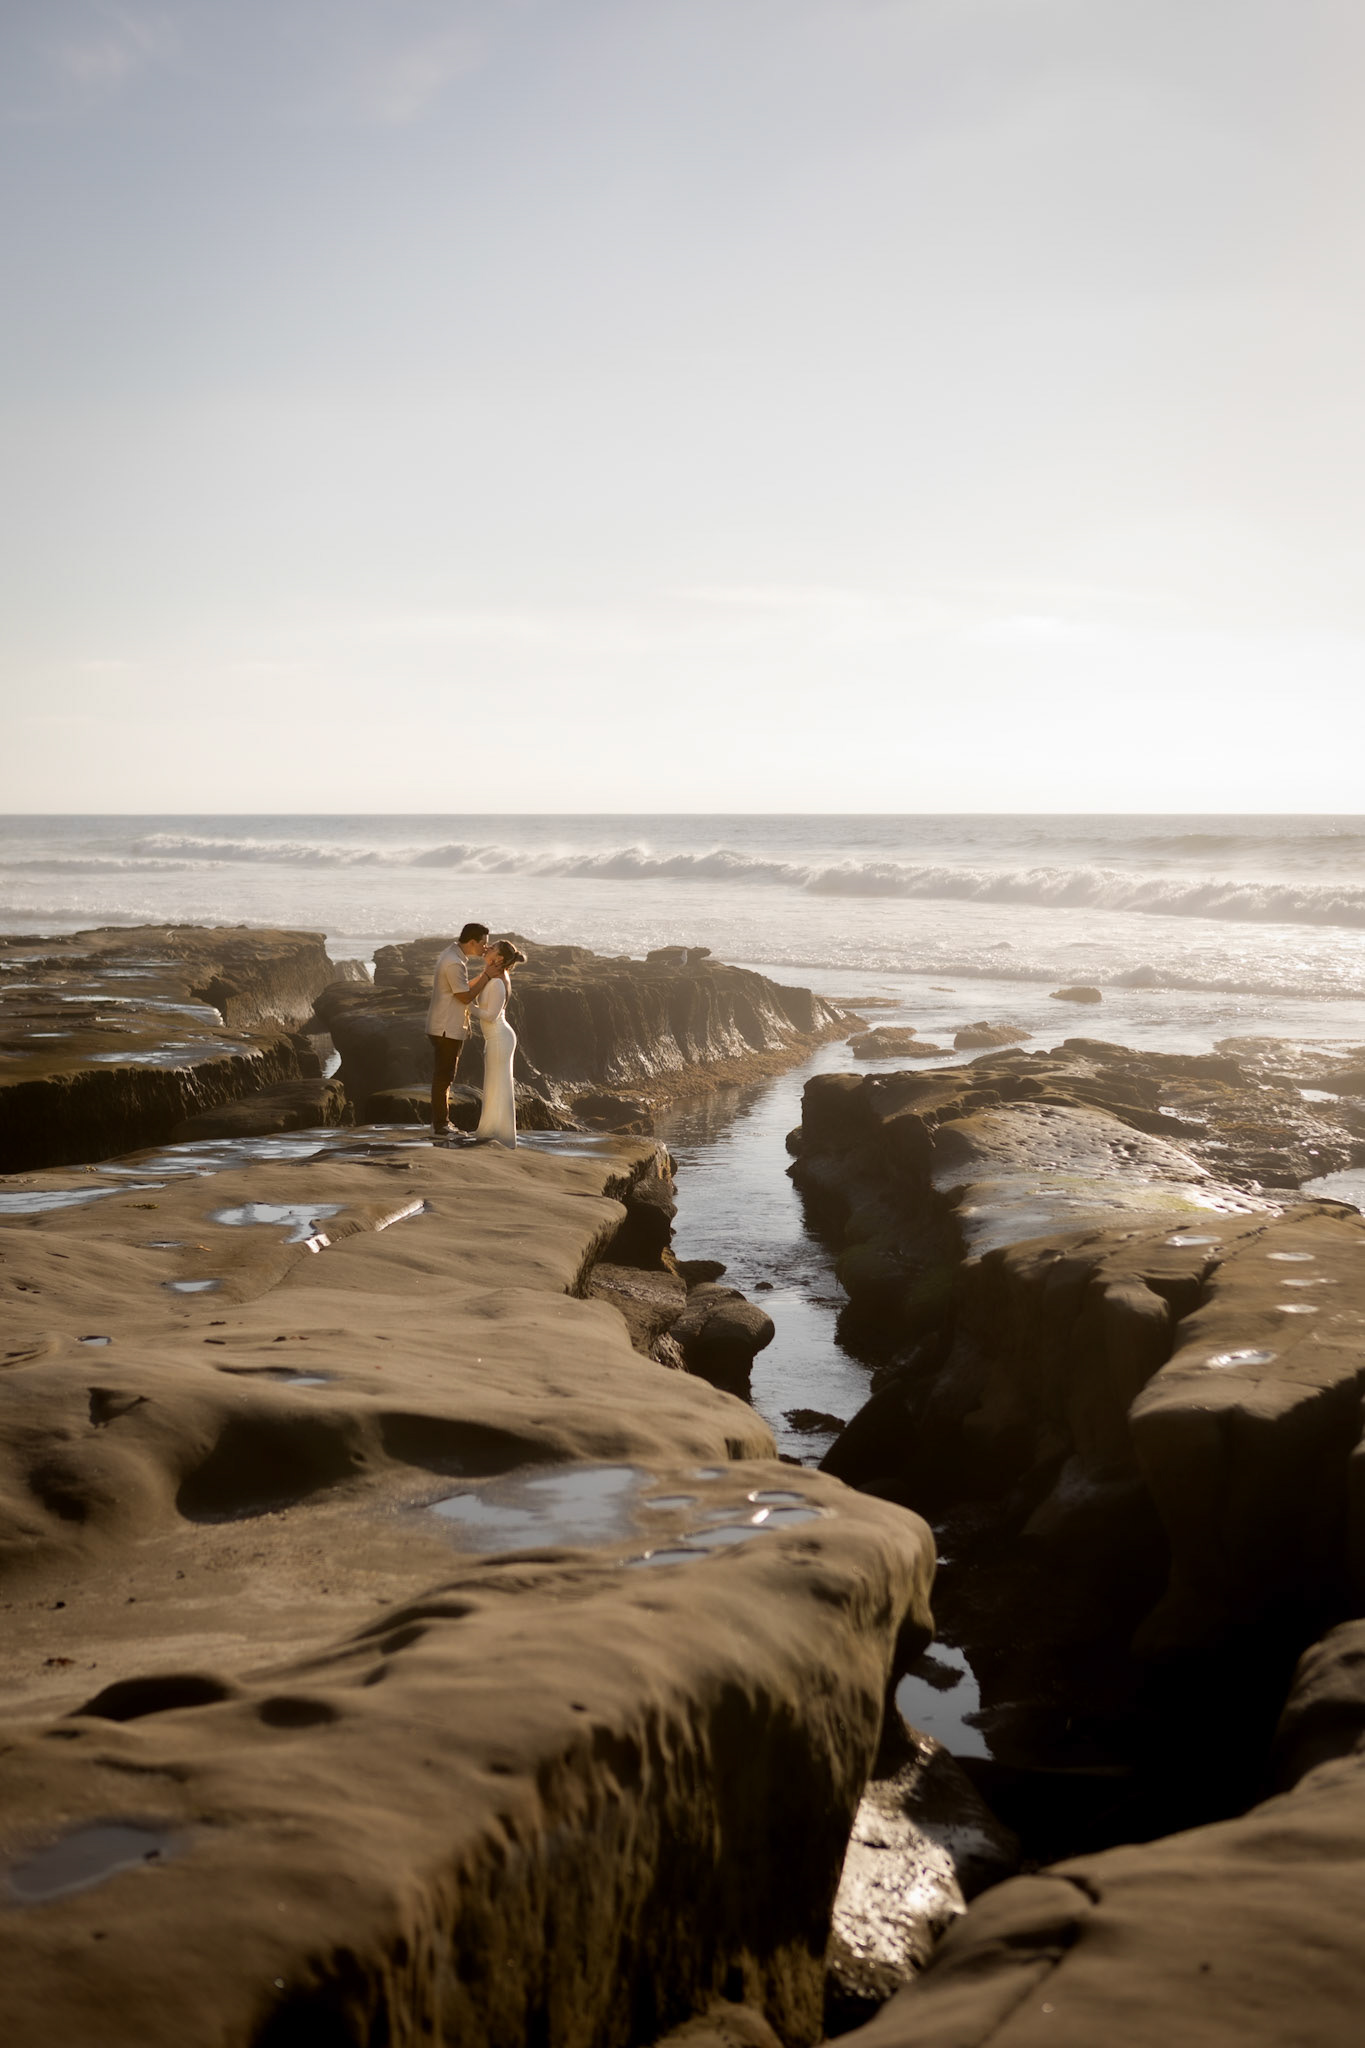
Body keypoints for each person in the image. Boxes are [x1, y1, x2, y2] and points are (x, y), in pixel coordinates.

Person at [427, 921, 492, 1140]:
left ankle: (440, 1124)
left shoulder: (454, 956)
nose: (486, 948)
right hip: (446, 1028)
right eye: (483, 943)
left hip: (445, 1025)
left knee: (444, 1076)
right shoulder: (454, 962)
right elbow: (464, 996)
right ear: (472, 942)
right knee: (443, 1078)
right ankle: (440, 1126)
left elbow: (461, 987)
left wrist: (484, 974)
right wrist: (487, 977)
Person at [473, 941, 527, 1148]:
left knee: (498, 1086)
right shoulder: (493, 976)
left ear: (500, 958)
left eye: (493, 947)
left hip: (499, 1037)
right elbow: (470, 986)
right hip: (496, 1037)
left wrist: (468, 1006)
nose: (487, 947)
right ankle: (492, 1132)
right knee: (494, 1085)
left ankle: (500, 1135)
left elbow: (491, 1015)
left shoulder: (497, 982)